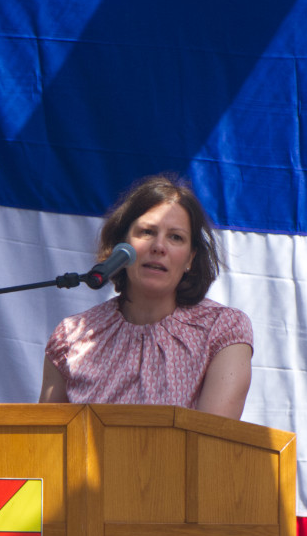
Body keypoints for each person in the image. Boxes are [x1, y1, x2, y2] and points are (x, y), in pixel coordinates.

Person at [39, 174, 253, 420]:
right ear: (121, 246)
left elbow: (212, 444)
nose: (159, 247)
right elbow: (48, 445)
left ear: (190, 258)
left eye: (176, 237)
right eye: (147, 232)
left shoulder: (222, 329)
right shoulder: (71, 336)